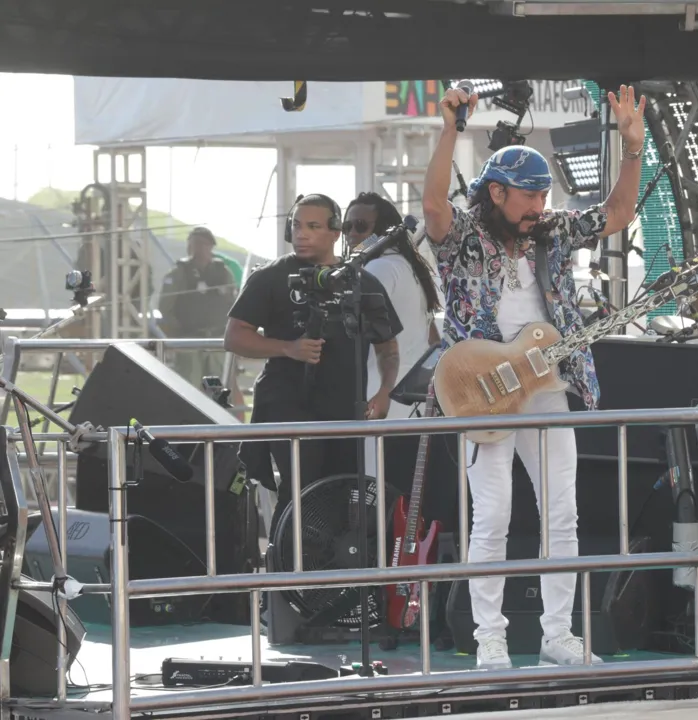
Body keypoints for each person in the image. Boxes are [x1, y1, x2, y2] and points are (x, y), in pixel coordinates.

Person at [422, 85, 645, 668]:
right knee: (492, 514)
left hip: (546, 384)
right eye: (527, 196)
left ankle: (558, 636)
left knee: (562, 513)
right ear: (495, 192)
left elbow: (618, 213)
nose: (538, 206)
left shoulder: (552, 232)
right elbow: (433, 212)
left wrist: (632, 149)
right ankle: (488, 637)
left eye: (544, 195)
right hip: (483, 389)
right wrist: (452, 131)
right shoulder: (467, 236)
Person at [224, 194, 403, 532]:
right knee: (299, 493)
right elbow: (234, 337)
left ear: (336, 233)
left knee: (343, 494)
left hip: (345, 408)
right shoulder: (270, 276)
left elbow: (387, 347)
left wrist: (384, 392)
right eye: (296, 226)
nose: (301, 234)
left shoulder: (363, 282)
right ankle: (284, 573)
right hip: (288, 405)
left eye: (313, 226)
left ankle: (332, 578)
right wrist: (287, 348)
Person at [343, 192, 442, 429]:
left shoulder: (379, 268)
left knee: (373, 466)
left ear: (383, 230)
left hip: (379, 395)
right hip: (410, 397)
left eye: (361, 226)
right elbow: (433, 341)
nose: (352, 234)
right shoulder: (409, 267)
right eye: (347, 226)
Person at [158, 227, 237, 388]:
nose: (198, 248)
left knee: (217, 390)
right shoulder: (178, 273)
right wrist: (178, 335)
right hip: (189, 342)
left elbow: (234, 305)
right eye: (194, 244)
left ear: (210, 247)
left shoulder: (223, 272)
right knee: (190, 388)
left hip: (217, 341)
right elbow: (165, 307)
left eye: (202, 244)